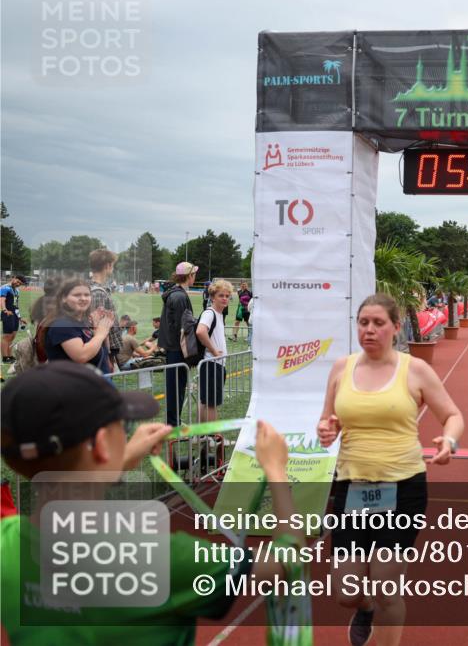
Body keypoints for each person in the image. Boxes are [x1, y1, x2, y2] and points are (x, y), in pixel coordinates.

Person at [0, 361, 300, 646]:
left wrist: (122, 456)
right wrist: (275, 470)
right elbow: (285, 562)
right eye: (122, 425)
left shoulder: (7, 543)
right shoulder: (161, 559)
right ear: (103, 444)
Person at [316, 293, 464, 646]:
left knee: (386, 585)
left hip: (402, 488)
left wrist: (449, 441)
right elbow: (327, 421)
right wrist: (326, 430)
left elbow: (453, 415)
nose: (369, 330)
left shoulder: (414, 370)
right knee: (345, 592)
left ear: (396, 328)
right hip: (352, 486)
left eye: (378, 323)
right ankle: (363, 609)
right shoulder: (342, 368)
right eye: (363, 323)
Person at [41, 278, 115, 373]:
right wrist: (100, 334)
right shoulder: (61, 324)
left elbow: (98, 348)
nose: (83, 298)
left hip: (95, 382)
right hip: (73, 385)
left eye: (87, 295)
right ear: (63, 298)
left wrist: (99, 328)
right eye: (77, 295)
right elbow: (81, 356)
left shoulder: (81, 321)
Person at [159, 262, 198, 426]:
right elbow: (184, 327)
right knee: (176, 387)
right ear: (189, 276)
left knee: (177, 386)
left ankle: (174, 421)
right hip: (177, 349)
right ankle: (173, 423)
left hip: (173, 347)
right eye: (193, 274)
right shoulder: (179, 296)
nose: (195, 277)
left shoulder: (175, 294)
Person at [197, 279, 231, 422]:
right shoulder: (209, 313)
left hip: (214, 363)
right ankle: (214, 438)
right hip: (211, 363)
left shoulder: (218, 314)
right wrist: (215, 352)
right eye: (221, 295)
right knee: (211, 404)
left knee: (206, 402)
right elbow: (200, 332)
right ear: (212, 297)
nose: (224, 299)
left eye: (227, 296)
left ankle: (204, 436)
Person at [88, 249, 123, 371]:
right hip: (100, 353)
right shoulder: (97, 292)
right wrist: (107, 356)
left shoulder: (96, 288)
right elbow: (98, 327)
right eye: (112, 264)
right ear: (107, 265)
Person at [1, 274, 26, 363]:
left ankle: (10, 356)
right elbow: (2, 300)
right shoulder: (5, 288)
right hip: (7, 314)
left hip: (15, 315)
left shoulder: (17, 291)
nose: (18, 284)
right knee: (6, 336)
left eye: (20, 283)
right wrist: (5, 310)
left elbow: (16, 305)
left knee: (12, 336)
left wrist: (20, 318)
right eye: (18, 281)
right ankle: (5, 357)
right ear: (14, 278)